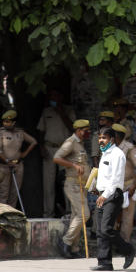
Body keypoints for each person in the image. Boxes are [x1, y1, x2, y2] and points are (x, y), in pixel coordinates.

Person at [91, 127, 135, 271]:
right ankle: (105, 262)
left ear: (111, 139)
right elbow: (104, 176)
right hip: (102, 194)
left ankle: (128, 250)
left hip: (112, 195)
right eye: (99, 138)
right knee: (99, 230)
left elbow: (116, 179)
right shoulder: (104, 153)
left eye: (104, 138)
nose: (101, 141)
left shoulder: (117, 154)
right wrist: (97, 188)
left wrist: (105, 195)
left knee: (107, 229)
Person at [53, 119, 92, 258]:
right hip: (73, 184)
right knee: (84, 215)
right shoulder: (71, 142)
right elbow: (57, 158)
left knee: (77, 216)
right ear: (78, 130)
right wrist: (74, 166)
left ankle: (73, 248)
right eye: (85, 130)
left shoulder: (80, 143)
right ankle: (66, 241)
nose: (87, 133)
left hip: (81, 184)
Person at [37, 89, 75, 217]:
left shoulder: (69, 110)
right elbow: (41, 131)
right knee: (48, 183)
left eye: (56, 96)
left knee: (67, 180)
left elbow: (73, 128)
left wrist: (61, 112)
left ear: (61, 97)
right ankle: (48, 213)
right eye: (51, 96)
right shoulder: (46, 111)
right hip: (49, 148)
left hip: (65, 149)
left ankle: (69, 211)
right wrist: (41, 146)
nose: (53, 99)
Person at [0, 110, 37, 209]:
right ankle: (1, 215)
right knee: (4, 193)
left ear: (14, 122)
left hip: (18, 165)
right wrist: (7, 161)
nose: (6, 124)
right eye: (4, 121)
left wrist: (24, 154)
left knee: (15, 193)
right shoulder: (0, 132)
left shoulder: (20, 132)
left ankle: (12, 215)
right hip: (4, 166)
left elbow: (34, 142)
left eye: (8, 122)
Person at [112, 123, 136, 243]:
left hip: (128, 185)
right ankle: (113, 242)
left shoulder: (129, 147)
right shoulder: (109, 147)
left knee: (127, 216)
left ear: (116, 135)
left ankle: (125, 243)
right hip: (114, 186)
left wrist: (134, 187)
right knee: (112, 214)